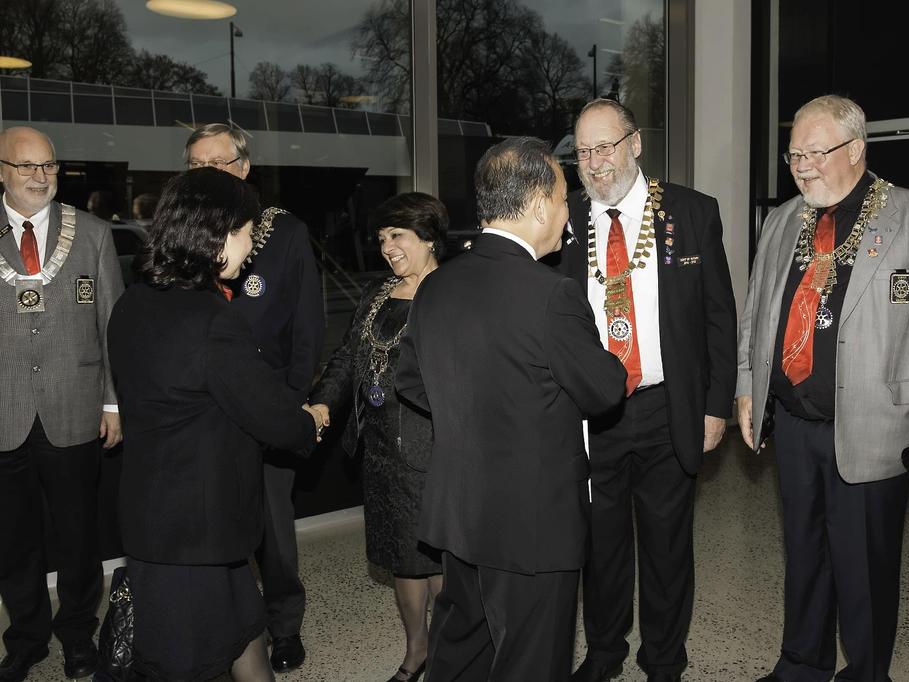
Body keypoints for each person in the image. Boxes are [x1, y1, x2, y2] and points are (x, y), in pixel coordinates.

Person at [736, 95, 909, 682]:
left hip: (871, 427)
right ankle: (802, 664)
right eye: (794, 155)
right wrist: (747, 388)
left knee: (864, 565)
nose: (803, 166)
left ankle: (866, 672)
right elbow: (757, 313)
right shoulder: (783, 219)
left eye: (816, 152)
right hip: (791, 422)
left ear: (857, 149)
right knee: (805, 557)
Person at [395, 137, 627, 682]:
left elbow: (411, 380)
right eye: (566, 199)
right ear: (542, 203)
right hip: (533, 525)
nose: (568, 214)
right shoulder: (551, 295)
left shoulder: (435, 286)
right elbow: (603, 391)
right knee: (531, 662)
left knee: (462, 649)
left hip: (461, 512)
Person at [107, 168, 323, 682]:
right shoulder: (211, 322)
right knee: (191, 663)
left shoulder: (134, 302)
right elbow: (272, 418)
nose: (252, 247)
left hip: (159, 522)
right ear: (218, 233)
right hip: (193, 540)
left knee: (246, 632)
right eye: (248, 232)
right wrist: (308, 419)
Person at [552, 99, 737, 682]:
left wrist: (716, 407)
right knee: (599, 549)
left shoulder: (690, 211)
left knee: (665, 547)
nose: (595, 162)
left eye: (606, 147)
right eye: (584, 151)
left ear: (635, 144)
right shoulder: (565, 219)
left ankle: (664, 660)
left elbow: (718, 319)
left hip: (665, 408)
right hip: (591, 415)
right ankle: (605, 652)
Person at [184, 123, 325, 673]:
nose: (209, 175)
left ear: (244, 169)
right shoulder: (179, 237)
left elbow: (308, 329)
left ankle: (284, 626)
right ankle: (223, 625)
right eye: (197, 166)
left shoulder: (283, 233)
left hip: (267, 409)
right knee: (211, 526)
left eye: (219, 163)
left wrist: (290, 405)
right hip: (200, 412)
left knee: (272, 529)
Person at [307, 192, 447, 682]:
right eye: (383, 238)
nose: (388, 247)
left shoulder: (450, 292)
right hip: (380, 446)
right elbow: (347, 355)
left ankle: (452, 656)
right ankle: (417, 651)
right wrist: (324, 401)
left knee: (435, 559)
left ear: (428, 238)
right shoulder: (378, 291)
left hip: (433, 446)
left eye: (398, 236)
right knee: (399, 557)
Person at [0, 126, 123, 682]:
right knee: (13, 538)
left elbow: (112, 327)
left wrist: (114, 404)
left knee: (77, 535)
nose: (39, 176)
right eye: (26, 166)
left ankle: (77, 633)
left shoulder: (93, 234)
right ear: (2, 170)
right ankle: (25, 637)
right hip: (3, 415)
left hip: (75, 410)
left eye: (47, 165)